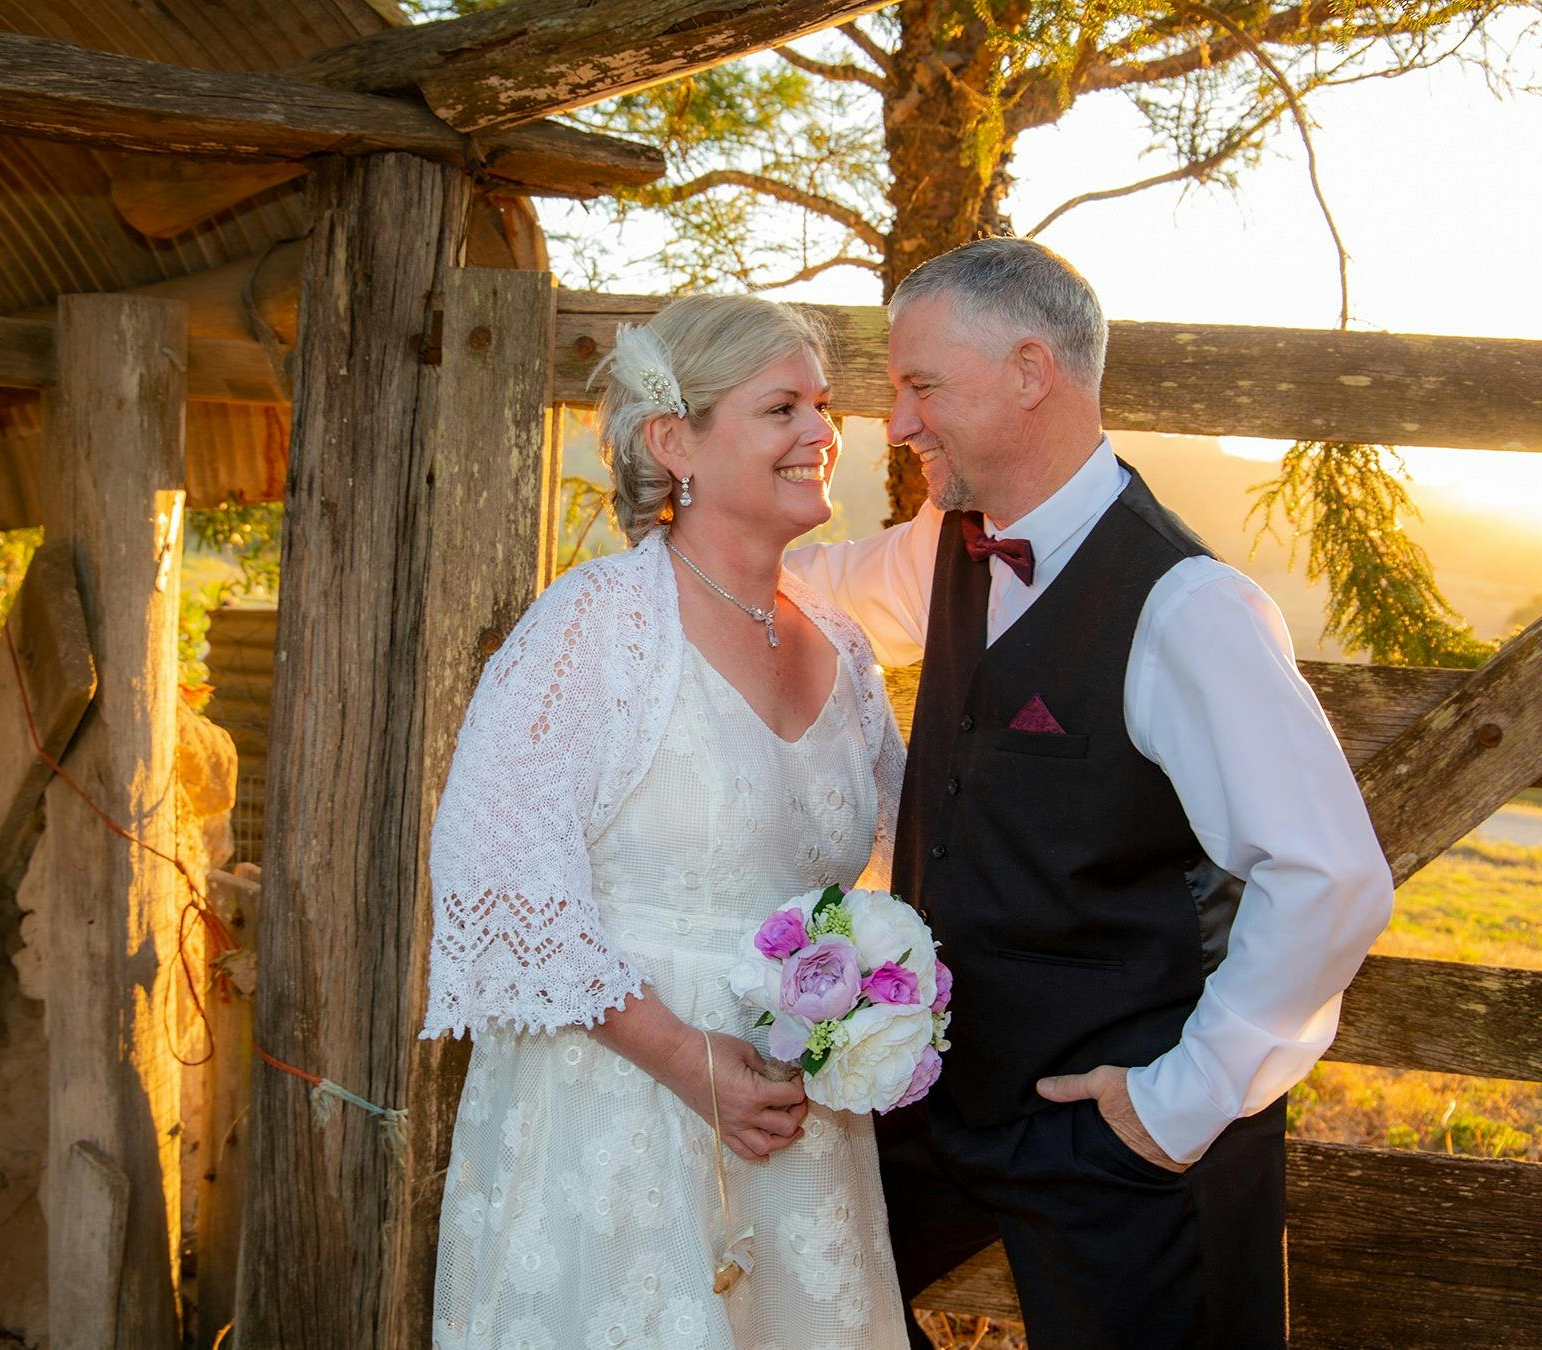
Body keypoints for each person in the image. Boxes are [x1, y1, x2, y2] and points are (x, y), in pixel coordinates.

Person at [785, 237, 1394, 1348]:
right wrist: (679, 541)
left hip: (1128, 1140)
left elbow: (1329, 877)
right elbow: (813, 588)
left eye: (921, 387)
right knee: (798, 1295)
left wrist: (1176, 1106)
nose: (899, 423)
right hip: (954, 1107)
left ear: (1029, 371)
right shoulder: (948, 548)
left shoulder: (1189, 608)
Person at [421, 294, 912, 1350]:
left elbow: (890, 870)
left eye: (822, 407)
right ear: (672, 439)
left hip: (795, 1131)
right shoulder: (591, 629)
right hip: (619, 1114)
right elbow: (497, 883)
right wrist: (691, 1063)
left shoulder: (845, 651)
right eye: (781, 408)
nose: (821, 434)